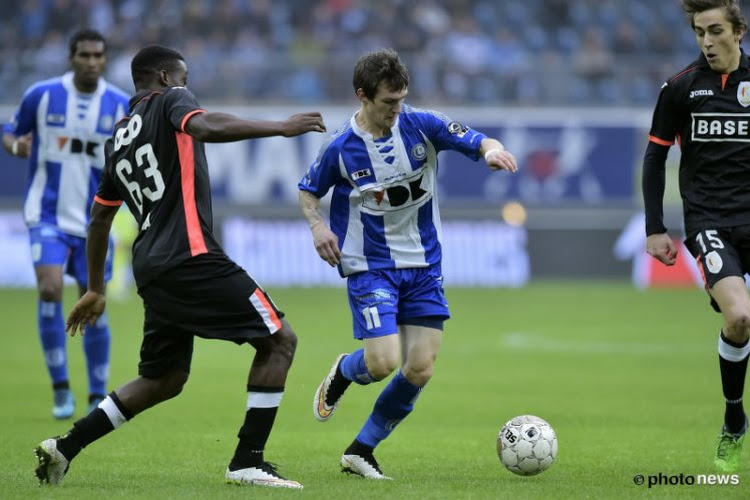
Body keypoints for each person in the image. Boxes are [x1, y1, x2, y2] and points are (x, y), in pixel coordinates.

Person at [33, 44, 326, 489]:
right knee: (279, 341)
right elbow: (205, 125)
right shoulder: (172, 100)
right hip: (191, 257)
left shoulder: (117, 139)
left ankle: (65, 447)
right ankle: (248, 460)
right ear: (167, 78)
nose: (189, 88)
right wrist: (281, 127)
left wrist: (96, 287)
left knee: (163, 377)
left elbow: (100, 217)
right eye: (185, 79)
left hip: (151, 268)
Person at [298, 49, 517, 479]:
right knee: (380, 363)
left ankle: (361, 450)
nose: (398, 109)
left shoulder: (423, 124)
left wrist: (494, 151)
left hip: (423, 264)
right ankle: (345, 371)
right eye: (388, 102)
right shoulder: (341, 147)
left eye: (402, 99)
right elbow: (308, 191)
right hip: (370, 263)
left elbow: (479, 139)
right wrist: (317, 227)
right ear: (363, 96)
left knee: (419, 367)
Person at [643, 0, 750, 474]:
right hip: (709, 221)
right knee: (741, 316)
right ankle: (733, 417)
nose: (707, 41)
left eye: (715, 31)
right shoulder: (680, 88)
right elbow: (654, 158)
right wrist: (654, 228)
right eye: (699, 32)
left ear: (738, 32)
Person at [2, 29, 130, 419]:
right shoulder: (41, 95)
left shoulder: (120, 105)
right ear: (71, 58)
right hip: (47, 216)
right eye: (84, 55)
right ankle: (60, 388)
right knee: (50, 288)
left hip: (96, 223)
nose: (91, 62)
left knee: (94, 305)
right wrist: (14, 146)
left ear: (105, 61)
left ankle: (94, 394)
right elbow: (10, 130)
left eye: (97, 56)